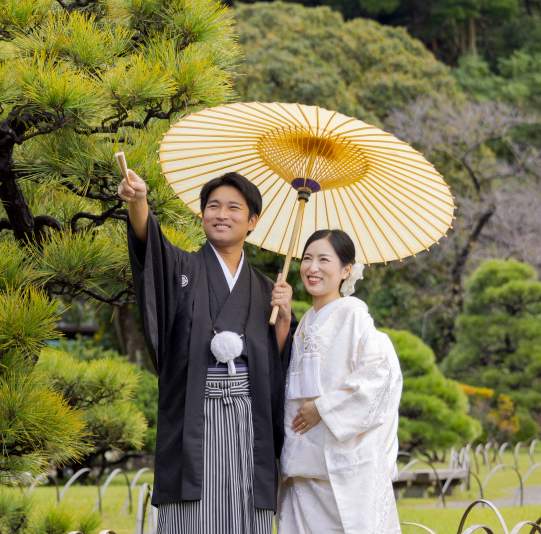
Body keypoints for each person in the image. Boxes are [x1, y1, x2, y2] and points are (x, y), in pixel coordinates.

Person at [118, 168, 298, 533]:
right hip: (194, 417)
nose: (221, 214)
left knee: (246, 512)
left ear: (252, 221)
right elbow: (148, 243)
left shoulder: (267, 290)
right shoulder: (183, 268)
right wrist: (138, 201)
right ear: (201, 215)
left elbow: (275, 366)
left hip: (249, 419)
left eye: (234, 208)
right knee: (193, 512)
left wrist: (283, 320)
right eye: (213, 206)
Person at [276, 229, 403, 534]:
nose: (312, 267)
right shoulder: (304, 322)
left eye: (324, 259)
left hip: (342, 469)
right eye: (307, 258)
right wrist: (283, 316)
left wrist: (323, 408)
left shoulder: (354, 317)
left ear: (346, 270)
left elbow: (379, 379)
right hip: (302, 468)